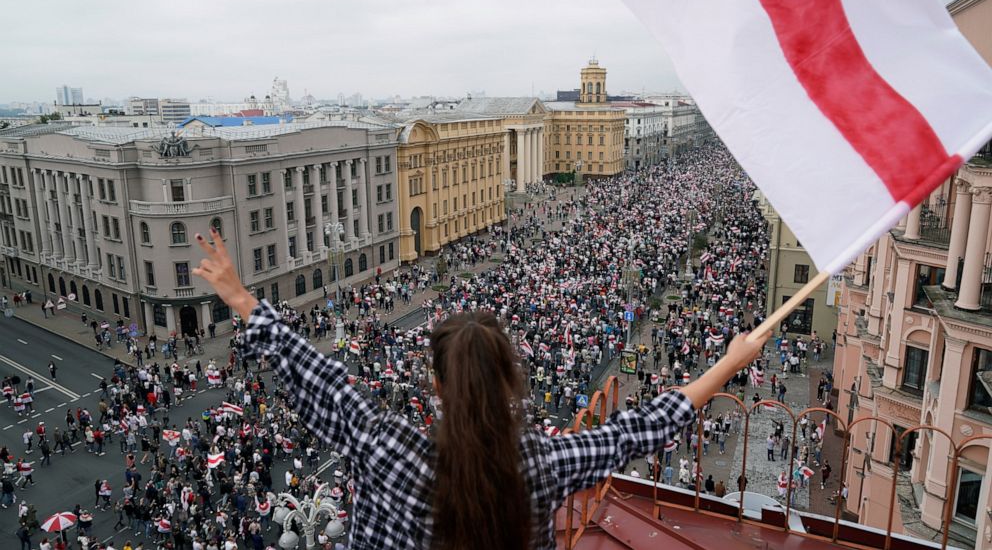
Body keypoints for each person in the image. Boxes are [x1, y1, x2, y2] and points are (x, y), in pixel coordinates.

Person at [190, 227, 771, 549]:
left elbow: (316, 376)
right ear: (510, 379)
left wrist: (241, 298)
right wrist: (728, 361)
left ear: (437, 385)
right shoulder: (540, 461)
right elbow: (637, 430)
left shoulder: (386, 444)